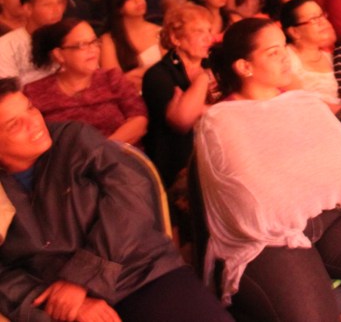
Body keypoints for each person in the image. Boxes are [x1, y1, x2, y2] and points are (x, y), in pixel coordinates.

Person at [196, 19, 341, 322]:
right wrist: (311, 181)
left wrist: (304, 183)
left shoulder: (305, 102)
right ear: (244, 66)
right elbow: (255, 198)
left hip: (331, 217)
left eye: (284, 48)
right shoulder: (221, 121)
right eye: (273, 52)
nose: (285, 58)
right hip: (270, 237)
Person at [0, 79, 231, 322]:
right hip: (58, 305)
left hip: (139, 273)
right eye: (15, 124)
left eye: (30, 108)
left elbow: (131, 198)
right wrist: (59, 305)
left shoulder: (73, 141)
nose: (34, 123)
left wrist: (80, 279)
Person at [25, 18, 147, 145]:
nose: (93, 49)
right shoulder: (35, 91)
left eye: (94, 42)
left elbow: (138, 120)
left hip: (120, 157)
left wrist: (100, 151)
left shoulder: (112, 78)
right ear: (59, 55)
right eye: (81, 45)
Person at [141, 3, 218, 189]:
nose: (209, 38)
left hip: (218, 153)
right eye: (199, 31)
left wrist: (199, 108)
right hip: (181, 167)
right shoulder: (158, 75)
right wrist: (202, 79)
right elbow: (183, 122)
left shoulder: (215, 64)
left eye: (209, 30)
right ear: (176, 38)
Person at [99, 0, 163, 90]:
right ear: (117, 7)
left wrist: (140, 73)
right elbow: (115, 82)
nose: (138, 0)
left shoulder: (160, 32)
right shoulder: (108, 40)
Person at [0, 0, 66, 86]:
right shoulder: (6, 46)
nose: (57, 10)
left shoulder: (70, 39)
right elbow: (9, 94)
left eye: (59, 2)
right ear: (28, 9)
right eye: (47, 4)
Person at [281, 0, 341, 112]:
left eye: (322, 15)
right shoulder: (286, 57)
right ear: (294, 32)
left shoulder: (330, 57)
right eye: (314, 19)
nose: (323, 22)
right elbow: (301, 99)